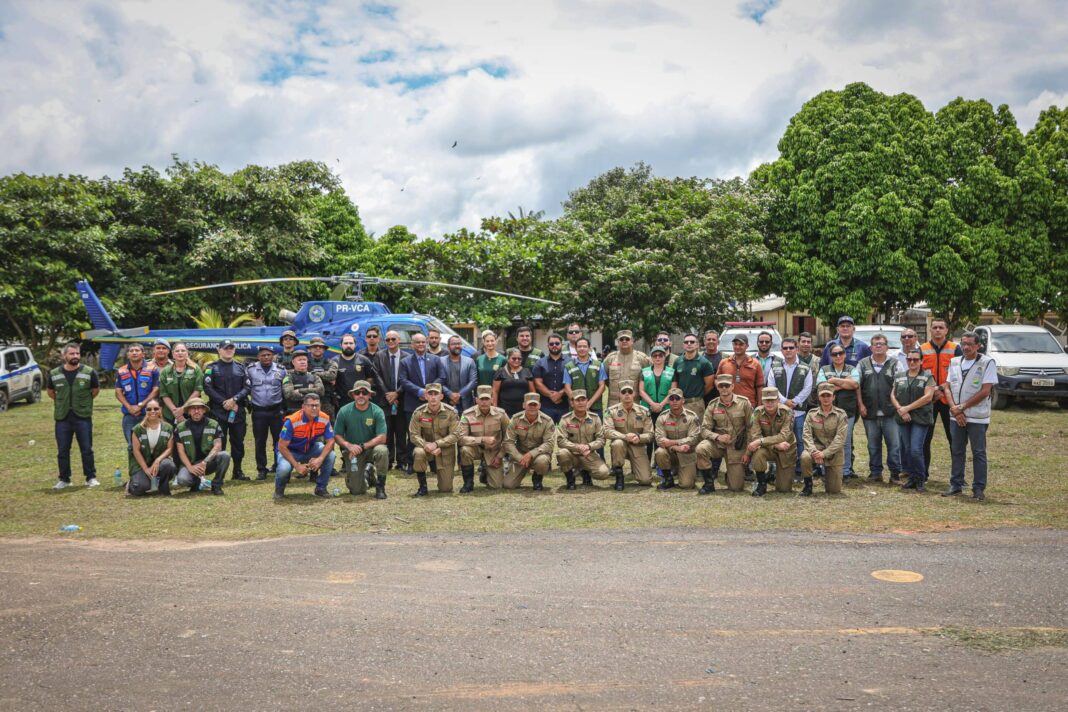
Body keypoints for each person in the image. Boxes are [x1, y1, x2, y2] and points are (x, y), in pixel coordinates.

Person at [942, 331, 997, 501]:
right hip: (956, 415)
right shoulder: (955, 361)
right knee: (957, 450)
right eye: (963, 344)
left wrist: (962, 407)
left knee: (978, 452)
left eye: (970, 345)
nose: (965, 347)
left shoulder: (987, 363)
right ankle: (956, 484)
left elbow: (985, 391)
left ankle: (978, 488)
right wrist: (954, 409)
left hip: (977, 417)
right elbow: (947, 388)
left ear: (978, 346)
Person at [47, 342, 100, 490]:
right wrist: (63, 401)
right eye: (72, 354)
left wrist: (82, 402)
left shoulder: (89, 372)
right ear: (65, 356)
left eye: (77, 353)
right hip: (62, 418)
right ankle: (64, 479)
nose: (75, 356)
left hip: (82, 416)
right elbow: (51, 392)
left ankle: (90, 477)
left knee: (87, 449)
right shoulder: (54, 373)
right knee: (63, 450)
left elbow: (95, 390)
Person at [921, 318, 962, 481]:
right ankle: (923, 473)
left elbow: (959, 374)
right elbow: (919, 372)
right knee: (925, 439)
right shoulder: (922, 349)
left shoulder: (955, 349)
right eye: (935, 327)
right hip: (929, 400)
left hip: (948, 400)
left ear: (946, 330)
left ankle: (958, 476)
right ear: (930, 330)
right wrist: (933, 390)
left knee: (954, 439)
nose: (938, 330)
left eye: (941, 327)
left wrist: (941, 388)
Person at [203, 339, 250, 481]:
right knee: (219, 444)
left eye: (231, 348)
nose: (228, 350)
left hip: (237, 412)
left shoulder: (241, 368)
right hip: (218, 412)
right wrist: (223, 402)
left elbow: (247, 387)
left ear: (234, 350)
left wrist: (234, 400)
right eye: (225, 348)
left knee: (238, 443)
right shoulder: (211, 367)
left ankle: (237, 471)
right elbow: (207, 388)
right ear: (219, 350)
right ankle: (220, 474)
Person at [398, 332, 447, 468]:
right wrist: (420, 391)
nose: (420, 344)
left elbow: (442, 377)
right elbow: (403, 380)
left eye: (422, 342)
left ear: (426, 343)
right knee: (413, 434)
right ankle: (411, 463)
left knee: (431, 432)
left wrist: (430, 391)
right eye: (417, 342)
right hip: (413, 402)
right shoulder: (405, 362)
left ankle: (432, 463)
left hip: (433, 402)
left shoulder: (436, 360)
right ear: (412, 345)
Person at [696, 374, 753, 493]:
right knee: (701, 448)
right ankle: (709, 483)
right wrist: (717, 437)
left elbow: (751, 428)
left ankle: (731, 474)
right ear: (717, 387)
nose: (724, 389)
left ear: (732, 386)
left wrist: (747, 453)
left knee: (736, 488)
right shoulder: (712, 405)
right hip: (718, 445)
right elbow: (704, 429)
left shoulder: (744, 403)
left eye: (727, 386)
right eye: (721, 386)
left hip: (736, 447)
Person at [333, 380, 389, 499]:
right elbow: (337, 435)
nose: (361, 395)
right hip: (353, 451)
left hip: (371, 449)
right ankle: (368, 473)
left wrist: (363, 446)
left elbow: (382, 437)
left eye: (364, 392)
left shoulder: (377, 411)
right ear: (353, 395)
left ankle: (380, 486)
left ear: (370, 395)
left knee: (382, 451)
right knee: (356, 491)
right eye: (357, 392)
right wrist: (348, 446)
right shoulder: (344, 411)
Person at [274, 393, 336, 500]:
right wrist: (297, 466)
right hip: (290, 451)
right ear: (303, 407)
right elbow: (282, 446)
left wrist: (320, 459)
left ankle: (321, 488)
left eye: (317, 405)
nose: (314, 408)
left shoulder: (324, 418)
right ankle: (279, 491)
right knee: (284, 468)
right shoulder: (292, 421)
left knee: (331, 455)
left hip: (310, 449)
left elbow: (331, 441)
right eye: (311, 405)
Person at [766, 337, 813, 479]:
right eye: (785, 348)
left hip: (798, 412)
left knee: (799, 441)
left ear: (797, 349)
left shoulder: (805, 368)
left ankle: (799, 471)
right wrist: (785, 401)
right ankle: (779, 470)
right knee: (779, 441)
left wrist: (795, 401)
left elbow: (808, 387)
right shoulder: (775, 367)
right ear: (781, 351)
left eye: (791, 348)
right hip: (779, 412)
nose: (788, 350)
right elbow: (771, 386)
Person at [857, 334, 901, 483]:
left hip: (890, 412)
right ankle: (876, 473)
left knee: (894, 445)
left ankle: (895, 474)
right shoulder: (863, 364)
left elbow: (900, 386)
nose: (878, 346)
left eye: (881, 344)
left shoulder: (895, 363)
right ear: (870, 347)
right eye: (875, 344)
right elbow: (857, 386)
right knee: (873, 445)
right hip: (869, 411)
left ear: (887, 347)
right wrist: (861, 405)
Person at [891, 348, 936, 491]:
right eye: (909, 359)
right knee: (908, 449)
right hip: (903, 417)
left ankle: (920, 478)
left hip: (920, 418)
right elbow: (892, 395)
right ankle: (912, 478)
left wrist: (907, 408)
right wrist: (900, 409)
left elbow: (928, 397)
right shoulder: (899, 375)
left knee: (916, 449)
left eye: (915, 359)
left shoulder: (928, 376)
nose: (912, 362)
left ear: (921, 361)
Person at [408, 383, 462, 495]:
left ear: (441, 396)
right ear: (425, 396)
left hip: (444, 451)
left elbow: (456, 434)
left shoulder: (451, 412)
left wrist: (437, 444)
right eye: (430, 394)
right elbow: (413, 434)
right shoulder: (418, 412)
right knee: (418, 452)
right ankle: (422, 487)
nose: (433, 397)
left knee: (446, 489)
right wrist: (426, 445)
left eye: (436, 394)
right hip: (426, 449)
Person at [816, 345, 861, 479]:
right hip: (827, 411)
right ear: (831, 356)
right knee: (827, 441)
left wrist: (834, 381)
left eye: (840, 353)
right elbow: (821, 387)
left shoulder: (852, 369)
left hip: (848, 412)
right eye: (835, 354)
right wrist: (844, 383)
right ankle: (826, 471)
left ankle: (846, 471)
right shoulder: (824, 369)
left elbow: (855, 385)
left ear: (845, 355)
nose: (838, 356)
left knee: (845, 442)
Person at [800, 383, 849, 496]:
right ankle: (808, 485)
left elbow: (840, 439)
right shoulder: (812, 414)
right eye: (823, 396)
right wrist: (814, 451)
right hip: (816, 448)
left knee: (834, 491)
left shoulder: (841, 414)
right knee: (805, 456)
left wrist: (824, 454)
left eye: (828, 395)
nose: (826, 398)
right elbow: (806, 435)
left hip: (834, 453)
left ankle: (828, 476)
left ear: (833, 397)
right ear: (818, 397)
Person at [174, 397, 231, 495]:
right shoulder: (180, 428)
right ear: (188, 411)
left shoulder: (213, 424)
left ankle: (216, 485)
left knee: (225, 455)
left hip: (208, 463)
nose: (196, 411)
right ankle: (196, 482)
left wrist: (204, 462)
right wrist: (190, 467)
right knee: (182, 480)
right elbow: (181, 451)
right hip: (190, 463)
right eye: (193, 408)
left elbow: (218, 446)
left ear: (204, 410)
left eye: (199, 408)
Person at [745, 387, 796, 496]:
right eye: (767, 400)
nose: (770, 403)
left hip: (785, 450)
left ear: (778, 400)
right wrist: (775, 445)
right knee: (758, 453)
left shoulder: (788, 412)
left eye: (773, 400)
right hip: (770, 449)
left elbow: (784, 436)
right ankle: (762, 484)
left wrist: (761, 441)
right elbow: (755, 435)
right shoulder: (757, 412)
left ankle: (772, 472)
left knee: (784, 489)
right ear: (762, 400)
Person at [604, 381, 654, 490]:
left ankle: (637, 470)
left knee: (646, 481)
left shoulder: (644, 411)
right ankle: (619, 475)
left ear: (634, 394)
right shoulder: (611, 411)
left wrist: (639, 437)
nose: (627, 394)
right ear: (619, 395)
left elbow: (650, 434)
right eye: (624, 392)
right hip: (620, 446)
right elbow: (607, 431)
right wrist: (624, 436)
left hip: (637, 446)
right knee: (617, 443)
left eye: (630, 392)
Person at [246, 345, 286, 481]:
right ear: (258, 357)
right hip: (259, 411)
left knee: (279, 440)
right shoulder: (250, 370)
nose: (266, 357)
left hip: (276, 411)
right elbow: (245, 387)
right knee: (260, 441)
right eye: (263, 355)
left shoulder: (281, 370)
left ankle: (278, 465)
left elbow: (285, 390)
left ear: (273, 356)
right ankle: (261, 469)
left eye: (269, 355)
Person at [459, 385, 510, 491]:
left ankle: (485, 472)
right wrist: (482, 439)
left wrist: (500, 456)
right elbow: (461, 438)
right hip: (475, 449)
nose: (484, 402)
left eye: (487, 399)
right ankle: (468, 483)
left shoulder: (501, 414)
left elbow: (509, 438)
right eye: (481, 399)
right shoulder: (466, 414)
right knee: (465, 450)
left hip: (493, 452)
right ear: (476, 400)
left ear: (492, 399)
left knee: (496, 486)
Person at [556, 390, 609, 489]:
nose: (581, 403)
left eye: (583, 400)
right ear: (572, 403)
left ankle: (586, 472)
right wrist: (578, 447)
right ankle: (570, 479)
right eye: (577, 400)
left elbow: (601, 439)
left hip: (589, 454)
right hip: (572, 454)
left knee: (604, 473)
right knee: (562, 453)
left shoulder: (595, 418)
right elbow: (560, 441)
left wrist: (588, 446)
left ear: (587, 401)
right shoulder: (565, 419)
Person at [372, 330, 410, 472]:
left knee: (401, 432)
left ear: (399, 340)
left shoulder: (407, 357)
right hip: (384, 400)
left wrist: (397, 394)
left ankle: (401, 461)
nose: (390, 342)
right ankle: (387, 461)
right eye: (387, 340)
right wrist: (389, 395)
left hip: (402, 400)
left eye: (393, 339)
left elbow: (407, 378)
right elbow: (377, 377)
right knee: (386, 432)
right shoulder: (379, 356)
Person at [502, 392, 555, 490]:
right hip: (520, 455)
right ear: (523, 405)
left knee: (542, 461)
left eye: (535, 404)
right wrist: (519, 457)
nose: (532, 407)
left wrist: (531, 454)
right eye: (529, 404)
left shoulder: (547, 421)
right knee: (508, 485)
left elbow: (549, 443)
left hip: (538, 455)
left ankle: (537, 479)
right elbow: (508, 442)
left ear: (539, 406)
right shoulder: (515, 419)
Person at [652, 387, 701, 490]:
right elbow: (659, 440)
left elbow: (694, 438)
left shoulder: (692, 417)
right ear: (668, 401)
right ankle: (668, 479)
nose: (674, 401)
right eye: (671, 398)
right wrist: (676, 447)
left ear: (683, 400)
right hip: (670, 454)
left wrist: (672, 443)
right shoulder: (662, 417)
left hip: (687, 455)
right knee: (660, 452)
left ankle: (684, 471)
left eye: (677, 398)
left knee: (686, 485)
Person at [126, 398, 176, 497]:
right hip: (141, 465)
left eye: (156, 408)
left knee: (169, 465)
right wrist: (146, 469)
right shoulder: (138, 429)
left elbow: (170, 448)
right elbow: (136, 451)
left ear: (160, 410)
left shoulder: (168, 428)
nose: (152, 411)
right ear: (145, 411)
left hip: (159, 463)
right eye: (149, 409)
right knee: (139, 489)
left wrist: (158, 460)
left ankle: (163, 487)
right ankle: (132, 483)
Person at [114, 343, 159, 451]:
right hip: (129, 415)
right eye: (131, 351)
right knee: (131, 446)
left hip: (148, 414)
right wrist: (129, 407)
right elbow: (118, 392)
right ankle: (134, 468)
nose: (134, 353)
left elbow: (156, 390)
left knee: (150, 445)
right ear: (128, 354)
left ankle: (149, 468)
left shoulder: (152, 369)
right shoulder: (121, 371)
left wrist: (142, 405)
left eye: (137, 350)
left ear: (143, 354)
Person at [335, 333, 384, 415]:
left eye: (351, 343)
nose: (348, 345)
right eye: (346, 343)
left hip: (361, 401)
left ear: (355, 345)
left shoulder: (364, 360)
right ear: (341, 345)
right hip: (342, 403)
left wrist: (364, 392)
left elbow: (372, 378)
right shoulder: (335, 361)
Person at [599, 330, 650, 408]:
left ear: (632, 341)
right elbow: (603, 379)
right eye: (621, 339)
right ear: (618, 342)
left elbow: (648, 379)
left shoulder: (642, 358)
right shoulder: (610, 358)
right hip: (614, 403)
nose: (624, 341)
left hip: (635, 403)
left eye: (627, 339)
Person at [158, 342, 203, 425]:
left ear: (187, 353)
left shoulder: (196, 369)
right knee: (172, 437)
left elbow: (198, 390)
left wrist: (183, 409)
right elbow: (164, 394)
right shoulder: (165, 371)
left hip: (191, 411)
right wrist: (175, 411)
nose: (180, 353)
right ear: (173, 354)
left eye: (183, 350)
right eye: (177, 351)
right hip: (171, 414)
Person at [673, 333, 715, 420]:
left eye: (692, 342)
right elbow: (675, 382)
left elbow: (709, 385)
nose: (689, 344)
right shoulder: (677, 361)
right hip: (680, 402)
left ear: (697, 345)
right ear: (683, 345)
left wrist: (698, 395)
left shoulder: (704, 363)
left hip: (696, 404)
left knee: (697, 431)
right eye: (686, 342)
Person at [716, 334, 763, 407]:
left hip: (748, 405)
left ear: (747, 346)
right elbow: (717, 380)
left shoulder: (755, 364)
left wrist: (760, 405)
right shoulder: (724, 362)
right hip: (728, 404)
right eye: (735, 344)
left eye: (741, 344)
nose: (737, 347)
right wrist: (722, 392)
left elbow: (760, 386)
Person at [532, 333, 569, 423]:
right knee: (546, 434)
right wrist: (551, 395)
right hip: (546, 406)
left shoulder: (570, 362)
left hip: (566, 405)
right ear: (548, 345)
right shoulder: (540, 363)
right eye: (551, 344)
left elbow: (572, 382)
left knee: (565, 434)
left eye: (557, 343)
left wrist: (560, 393)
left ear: (562, 345)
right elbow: (537, 383)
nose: (554, 346)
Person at [563, 337, 604, 418]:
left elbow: (602, 386)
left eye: (585, 346)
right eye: (579, 346)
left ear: (589, 348)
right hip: (576, 409)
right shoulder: (569, 366)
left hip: (595, 407)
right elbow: (567, 387)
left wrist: (589, 403)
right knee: (574, 430)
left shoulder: (598, 365)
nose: (582, 349)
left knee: (596, 430)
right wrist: (578, 403)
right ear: (575, 348)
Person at [638, 346, 675, 435]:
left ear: (664, 356)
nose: (657, 357)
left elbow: (673, 391)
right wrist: (653, 404)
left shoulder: (672, 372)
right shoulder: (644, 371)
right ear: (651, 357)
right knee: (648, 435)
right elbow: (641, 391)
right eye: (655, 355)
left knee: (663, 435)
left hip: (666, 409)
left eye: (660, 355)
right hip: (647, 409)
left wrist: (661, 405)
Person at [493, 348, 534, 416]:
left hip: (523, 410)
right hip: (504, 409)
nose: (517, 360)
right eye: (514, 358)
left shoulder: (527, 371)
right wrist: (495, 407)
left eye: (519, 358)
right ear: (508, 359)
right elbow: (495, 391)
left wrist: (532, 406)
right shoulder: (501, 371)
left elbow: (532, 390)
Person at [441, 335, 477, 412]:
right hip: (446, 402)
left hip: (466, 403)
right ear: (448, 346)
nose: (457, 346)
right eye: (454, 344)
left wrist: (459, 395)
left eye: (459, 343)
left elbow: (473, 382)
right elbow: (439, 381)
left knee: (464, 424)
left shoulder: (470, 361)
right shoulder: (440, 361)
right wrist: (450, 394)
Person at [307, 337, 339, 417]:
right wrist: (324, 375)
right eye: (315, 346)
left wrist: (312, 374)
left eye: (320, 347)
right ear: (310, 349)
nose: (318, 348)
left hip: (327, 400)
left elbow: (331, 376)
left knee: (328, 425)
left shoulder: (331, 363)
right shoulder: (305, 363)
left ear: (324, 349)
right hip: (309, 400)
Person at [702, 330, 723, 402]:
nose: (711, 341)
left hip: (720, 397)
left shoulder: (725, 358)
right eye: (708, 339)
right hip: (702, 397)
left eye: (713, 339)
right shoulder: (698, 357)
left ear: (718, 342)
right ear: (704, 342)